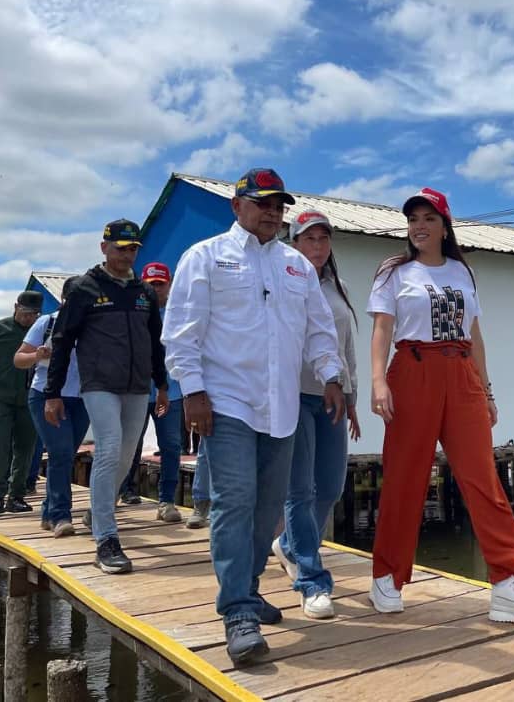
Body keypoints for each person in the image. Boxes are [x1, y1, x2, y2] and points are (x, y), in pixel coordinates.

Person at [162, 167, 345, 666]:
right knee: (235, 501)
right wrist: (192, 390)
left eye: (278, 204)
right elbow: (181, 330)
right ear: (237, 206)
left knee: (269, 508)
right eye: (261, 202)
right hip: (226, 402)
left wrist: (331, 375)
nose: (272, 212)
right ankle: (237, 611)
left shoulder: (295, 266)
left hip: (282, 404)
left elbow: (319, 330)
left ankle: (249, 585)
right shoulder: (205, 258)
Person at [366, 187, 514, 626]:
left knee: (482, 478)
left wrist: (486, 392)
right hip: (412, 371)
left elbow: (476, 335)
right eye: (413, 220)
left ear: (445, 226)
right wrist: (377, 381)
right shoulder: (393, 272)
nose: (419, 227)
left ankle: (507, 583)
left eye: (429, 218)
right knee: (406, 477)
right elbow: (382, 330)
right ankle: (387, 576)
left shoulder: (463, 273)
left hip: (461, 371)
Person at [45, 218, 169, 575]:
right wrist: (52, 392)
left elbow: (154, 343)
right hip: (99, 383)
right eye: (120, 248)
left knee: (127, 455)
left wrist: (161, 384)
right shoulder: (84, 289)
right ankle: (106, 539)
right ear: (104, 248)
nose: (126, 255)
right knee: (110, 446)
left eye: (133, 249)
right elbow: (63, 341)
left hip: (137, 386)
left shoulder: (144, 293)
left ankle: (97, 510)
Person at [271, 210, 360, 620]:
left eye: (324, 240)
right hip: (294, 395)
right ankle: (310, 580)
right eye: (310, 239)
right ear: (294, 243)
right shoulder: (282, 280)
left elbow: (346, 346)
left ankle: (289, 544)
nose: (318, 247)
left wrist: (352, 393)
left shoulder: (336, 286)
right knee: (300, 489)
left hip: (333, 396)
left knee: (331, 486)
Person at [14, 277, 90, 537]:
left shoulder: (93, 325)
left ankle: (48, 510)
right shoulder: (46, 323)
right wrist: (37, 355)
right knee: (60, 452)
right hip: (45, 395)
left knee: (67, 454)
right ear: (64, 299)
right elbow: (19, 359)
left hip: (82, 399)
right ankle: (61, 515)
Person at [116, 261, 183, 522]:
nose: (156, 290)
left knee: (171, 446)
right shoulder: (133, 312)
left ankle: (166, 500)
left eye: (160, 284)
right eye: (151, 284)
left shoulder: (179, 314)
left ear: (169, 285)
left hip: (172, 393)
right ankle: (123, 491)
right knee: (128, 444)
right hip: (136, 391)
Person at [0, 294, 42, 515]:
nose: (28, 318)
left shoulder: (41, 330)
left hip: (30, 398)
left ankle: (17, 495)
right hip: (0, 397)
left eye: (32, 314)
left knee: (25, 447)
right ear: (15, 307)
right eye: (24, 313)